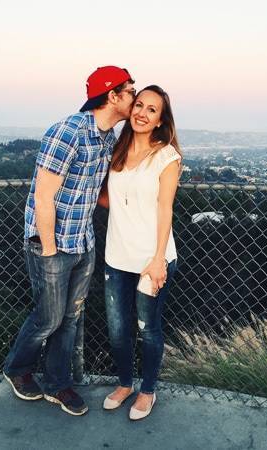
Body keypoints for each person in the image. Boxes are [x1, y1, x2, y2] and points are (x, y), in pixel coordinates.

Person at [3, 66, 135, 416]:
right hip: (52, 244)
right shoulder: (68, 132)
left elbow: (96, 191)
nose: (134, 98)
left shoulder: (108, 137)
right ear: (113, 95)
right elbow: (44, 196)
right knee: (48, 318)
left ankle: (57, 384)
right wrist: (48, 249)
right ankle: (16, 368)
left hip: (83, 241)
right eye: (130, 91)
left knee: (71, 318)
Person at [101, 85, 182, 420]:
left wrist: (158, 259)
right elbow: (109, 198)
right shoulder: (117, 152)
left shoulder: (166, 156)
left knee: (147, 327)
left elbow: (166, 210)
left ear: (161, 120)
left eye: (152, 109)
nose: (142, 113)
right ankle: (124, 383)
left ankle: (147, 390)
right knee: (118, 329)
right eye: (139, 105)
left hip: (152, 259)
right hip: (116, 256)